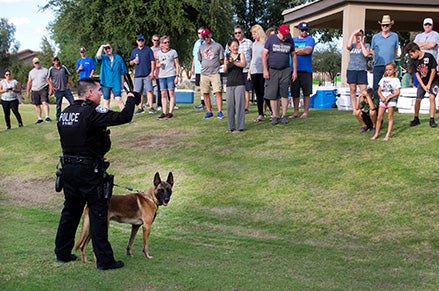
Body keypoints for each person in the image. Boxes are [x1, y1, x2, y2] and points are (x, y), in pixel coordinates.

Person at [55, 77, 140, 270]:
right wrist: (131, 98)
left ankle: (62, 252)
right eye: (99, 91)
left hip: (68, 169)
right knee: (98, 212)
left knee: (70, 211)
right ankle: (104, 260)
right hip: (88, 171)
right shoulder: (91, 112)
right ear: (90, 93)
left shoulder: (65, 113)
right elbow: (124, 117)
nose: (102, 94)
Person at [262, 24, 297, 125]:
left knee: (284, 93)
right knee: (273, 94)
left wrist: (294, 71)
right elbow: (264, 54)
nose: (285, 37)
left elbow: (293, 56)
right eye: (283, 35)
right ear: (279, 32)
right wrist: (265, 70)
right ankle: (275, 115)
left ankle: (284, 115)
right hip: (272, 70)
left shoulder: (290, 40)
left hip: (285, 69)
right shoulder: (271, 39)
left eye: (286, 35)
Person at [405, 41, 438, 128]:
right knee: (418, 99)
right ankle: (416, 118)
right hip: (422, 82)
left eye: (411, 54)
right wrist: (423, 86)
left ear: (416, 51)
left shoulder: (429, 56)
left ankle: (432, 119)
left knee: (432, 97)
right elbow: (417, 74)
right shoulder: (413, 61)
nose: (411, 56)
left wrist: (429, 84)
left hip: (433, 80)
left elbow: (433, 70)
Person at [197, 28, 225, 119]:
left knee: (217, 92)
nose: (206, 38)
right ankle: (209, 111)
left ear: (210, 35)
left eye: (207, 36)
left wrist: (214, 65)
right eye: (204, 37)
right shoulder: (201, 47)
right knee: (205, 93)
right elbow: (201, 60)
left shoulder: (218, 46)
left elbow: (222, 60)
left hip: (215, 73)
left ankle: (220, 111)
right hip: (204, 74)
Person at [290, 21, 315, 119]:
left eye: (306, 30)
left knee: (306, 92)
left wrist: (296, 51)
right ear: (299, 30)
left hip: (306, 69)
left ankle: (305, 112)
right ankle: (296, 111)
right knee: (295, 92)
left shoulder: (310, 39)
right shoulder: (293, 39)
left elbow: (308, 50)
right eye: (302, 30)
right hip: (294, 70)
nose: (304, 32)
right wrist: (300, 50)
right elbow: (291, 51)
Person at [371, 15, 399, 100]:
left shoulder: (394, 36)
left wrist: (393, 62)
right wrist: (374, 59)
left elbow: (395, 50)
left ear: (390, 26)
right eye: (383, 25)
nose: (385, 27)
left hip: (390, 65)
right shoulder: (375, 37)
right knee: (376, 86)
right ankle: (376, 106)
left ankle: (390, 104)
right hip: (378, 65)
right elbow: (373, 50)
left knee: (391, 86)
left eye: (387, 25)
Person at [371, 62, 401, 141]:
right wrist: (382, 97)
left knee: (389, 117)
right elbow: (379, 90)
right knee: (379, 117)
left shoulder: (396, 80)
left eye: (390, 70)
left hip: (391, 101)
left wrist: (389, 97)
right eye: (387, 70)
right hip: (383, 100)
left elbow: (398, 92)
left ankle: (388, 134)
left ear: (394, 70)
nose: (388, 71)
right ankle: (376, 133)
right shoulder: (383, 79)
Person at [129, 34, 156, 114]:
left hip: (147, 74)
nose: (141, 42)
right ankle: (140, 108)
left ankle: (151, 107)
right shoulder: (134, 51)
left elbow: (152, 62)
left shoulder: (148, 50)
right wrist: (133, 61)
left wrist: (152, 72)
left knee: (149, 90)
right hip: (137, 75)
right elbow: (130, 62)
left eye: (142, 40)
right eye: (139, 40)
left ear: (144, 41)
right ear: (137, 41)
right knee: (138, 92)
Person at [224, 38, 246, 132]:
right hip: (230, 83)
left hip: (239, 83)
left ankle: (240, 127)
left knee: (239, 105)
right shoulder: (227, 56)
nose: (235, 47)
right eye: (233, 46)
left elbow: (243, 64)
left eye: (236, 45)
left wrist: (234, 62)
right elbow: (225, 70)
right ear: (229, 47)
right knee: (230, 106)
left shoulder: (241, 55)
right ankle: (231, 127)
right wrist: (226, 64)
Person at [96, 43, 127, 110]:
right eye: (106, 49)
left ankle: (126, 116)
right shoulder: (103, 57)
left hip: (116, 82)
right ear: (104, 50)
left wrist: (122, 83)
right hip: (105, 82)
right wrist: (102, 46)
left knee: (118, 99)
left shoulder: (118, 58)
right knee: (106, 101)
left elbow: (122, 71)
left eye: (109, 48)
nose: (108, 50)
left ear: (112, 48)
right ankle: (107, 117)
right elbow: (98, 56)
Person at [346, 29, 370, 114]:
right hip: (351, 69)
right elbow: (348, 46)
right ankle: (354, 108)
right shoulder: (352, 45)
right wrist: (353, 33)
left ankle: (362, 107)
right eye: (357, 35)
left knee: (363, 90)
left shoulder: (367, 45)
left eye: (360, 35)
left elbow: (366, 54)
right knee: (352, 90)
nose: (358, 37)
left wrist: (361, 43)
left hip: (362, 70)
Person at [249, 24, 270, 122]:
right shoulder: (253, 44)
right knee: (258, 94)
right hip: (254, 71)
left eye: (254, 33)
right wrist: (249, 72)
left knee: (265, 93)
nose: (253, 35)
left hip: (263, 71)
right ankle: (260, 113)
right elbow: (252, 58)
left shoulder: (265, 43)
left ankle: (273, 112)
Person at [156, 35, 180, 119]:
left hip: (171, 74)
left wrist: (177, 76)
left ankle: (170, 112)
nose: (167, 44)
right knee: (163, 94)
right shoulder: (159, 53)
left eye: (168, 42)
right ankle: (164, 112)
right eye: (165, 42)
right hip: (162, 75)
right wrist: (159, 65)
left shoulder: (173, 52)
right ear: (161, 44)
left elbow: (177, 64)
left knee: (171, 93)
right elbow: (156, 64)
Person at [232, 25, 253, 114]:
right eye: (236, 33)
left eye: (239, 32)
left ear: (243, 33)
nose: (237, 34)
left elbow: (253, 56)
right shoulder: (231, 43)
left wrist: (250, 71)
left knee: (246, 89)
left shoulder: (249, 42)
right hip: (235, 70)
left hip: (246, 69)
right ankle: (237, 107)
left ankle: (245, 108)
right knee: (236, 89)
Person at [26, 57, 51, 124]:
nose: (37, 64)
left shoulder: (45, 70)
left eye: (37, 62)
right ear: (33, 64)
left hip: (43, 88)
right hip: (34, 89)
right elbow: (29, 82)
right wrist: (28, 91)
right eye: (35, 63)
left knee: (44, 102)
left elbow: (48, 80)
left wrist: (51, 88)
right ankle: (39, 118)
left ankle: (47, 117)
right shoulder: (31, 72)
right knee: (37, 104)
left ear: (39, 62)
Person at [191, 27, 207, 110]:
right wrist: (192, 67)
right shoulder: (197, 43)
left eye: (202, 32)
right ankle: (202, 103)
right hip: (198, 68)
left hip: (207, 68)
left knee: (206, 86)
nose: (200, 34)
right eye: (198, 33)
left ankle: (207, 103)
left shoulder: (209, 41)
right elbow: (194, 56)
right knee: (201, 86)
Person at [150, 34, 162, 110]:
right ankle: (149, 104)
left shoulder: (161, 49)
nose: (156, 42)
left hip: (160, 72)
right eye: (154, 40)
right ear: (152, 40)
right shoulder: (150, 50)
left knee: (160, 89)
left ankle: (159, 104)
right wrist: (152, 72)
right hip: (152, 72)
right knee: (150, 89)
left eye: (157, 40)